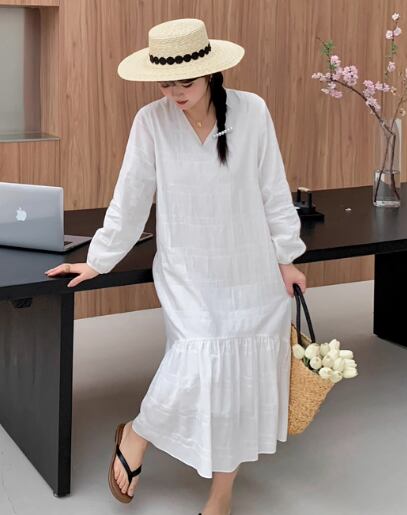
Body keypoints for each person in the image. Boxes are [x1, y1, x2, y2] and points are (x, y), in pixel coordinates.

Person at [44, 18, 307, 515]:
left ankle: (221, 494)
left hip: (251, 267)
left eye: (184, 82)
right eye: (165, 83)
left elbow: (273, 188)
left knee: (240, 382)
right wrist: (98, 260)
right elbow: (131, 197)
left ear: (209, 72)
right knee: (196, 361)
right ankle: (137, 433)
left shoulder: (252, 111)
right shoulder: (151, 121)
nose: (174, 93)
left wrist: (286, 258)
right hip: (188, 268)